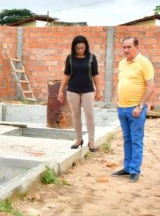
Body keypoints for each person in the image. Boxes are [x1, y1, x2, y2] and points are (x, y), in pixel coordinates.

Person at [111, 36, 154, 182]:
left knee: (136, 140)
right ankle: (127, 167)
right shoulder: (122, 63)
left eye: (129, 47)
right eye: (124, 47)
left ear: (136, 47)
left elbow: (150, 86)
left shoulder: (144, 63)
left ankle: (135, 170)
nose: (126, 50)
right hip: (122, 108)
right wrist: (116, 98)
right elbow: (120, 82)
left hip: (135, 109)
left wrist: (140, 106)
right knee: (127, 139)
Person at [57, 35, 102, 151]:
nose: (80, 50)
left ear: (86, 47)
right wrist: (60, 90)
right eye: (78, 48)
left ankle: (91, 142)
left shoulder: (92, 57)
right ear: (74, 48)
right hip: (73, 90)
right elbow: (66, 75)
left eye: (83, 48)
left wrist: (99, 90)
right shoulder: (70, 58)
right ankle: (78, 139)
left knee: (90, 115)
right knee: (76, 116)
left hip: (87, 90)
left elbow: (95, 75)